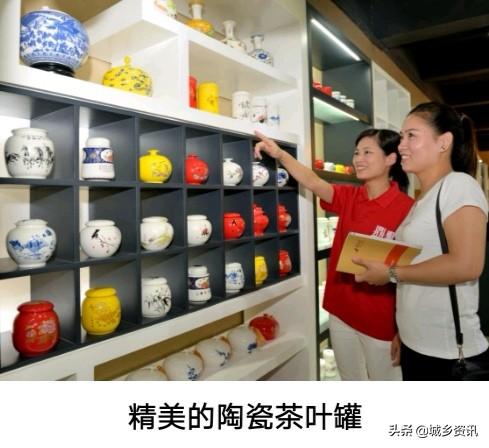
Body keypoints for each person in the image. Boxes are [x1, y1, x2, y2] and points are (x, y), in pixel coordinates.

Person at [254, 128, 414, 380]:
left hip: (381, 319)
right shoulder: (350, 196)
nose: (358, 159)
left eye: (367, 152)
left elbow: (412, 273)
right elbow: (313, 181)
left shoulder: (407, 209)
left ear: (390, 159)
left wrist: (403, 330)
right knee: (349, 380)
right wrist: (281, 154)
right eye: (356, 153)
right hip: (341, 310)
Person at [353, 102, 489, 381]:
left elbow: (467, 265)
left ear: (444, 142)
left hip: (447, 354)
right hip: (417, 345)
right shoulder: (423, 198)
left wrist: (390, 273)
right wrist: (403, 333)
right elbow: (423, 266)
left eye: (411, 136)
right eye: (401, 136)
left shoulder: (459, 185)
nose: (401, 145)